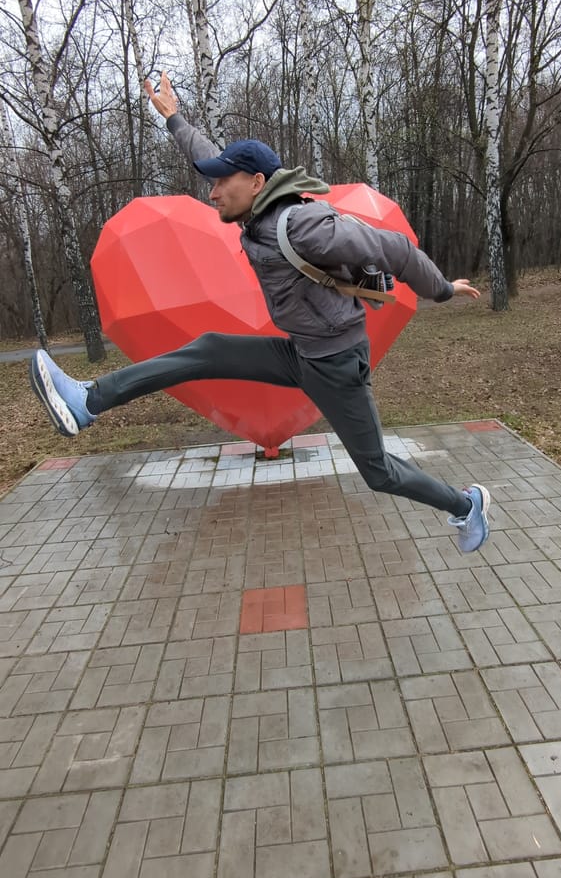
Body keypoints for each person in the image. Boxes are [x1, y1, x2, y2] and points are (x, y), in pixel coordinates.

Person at [29, 72, 490, 552]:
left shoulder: (306, 225)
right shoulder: (256, 212)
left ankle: (465, 504)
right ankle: (86, 403)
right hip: (303, 354)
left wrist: (440, 289)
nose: (212, 193)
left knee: (378, 472)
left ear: (256, 182)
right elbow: (207, 157)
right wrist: (174, 118)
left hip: (335, 365)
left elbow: (395, 248)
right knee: (209, 349)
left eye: (222, 183)